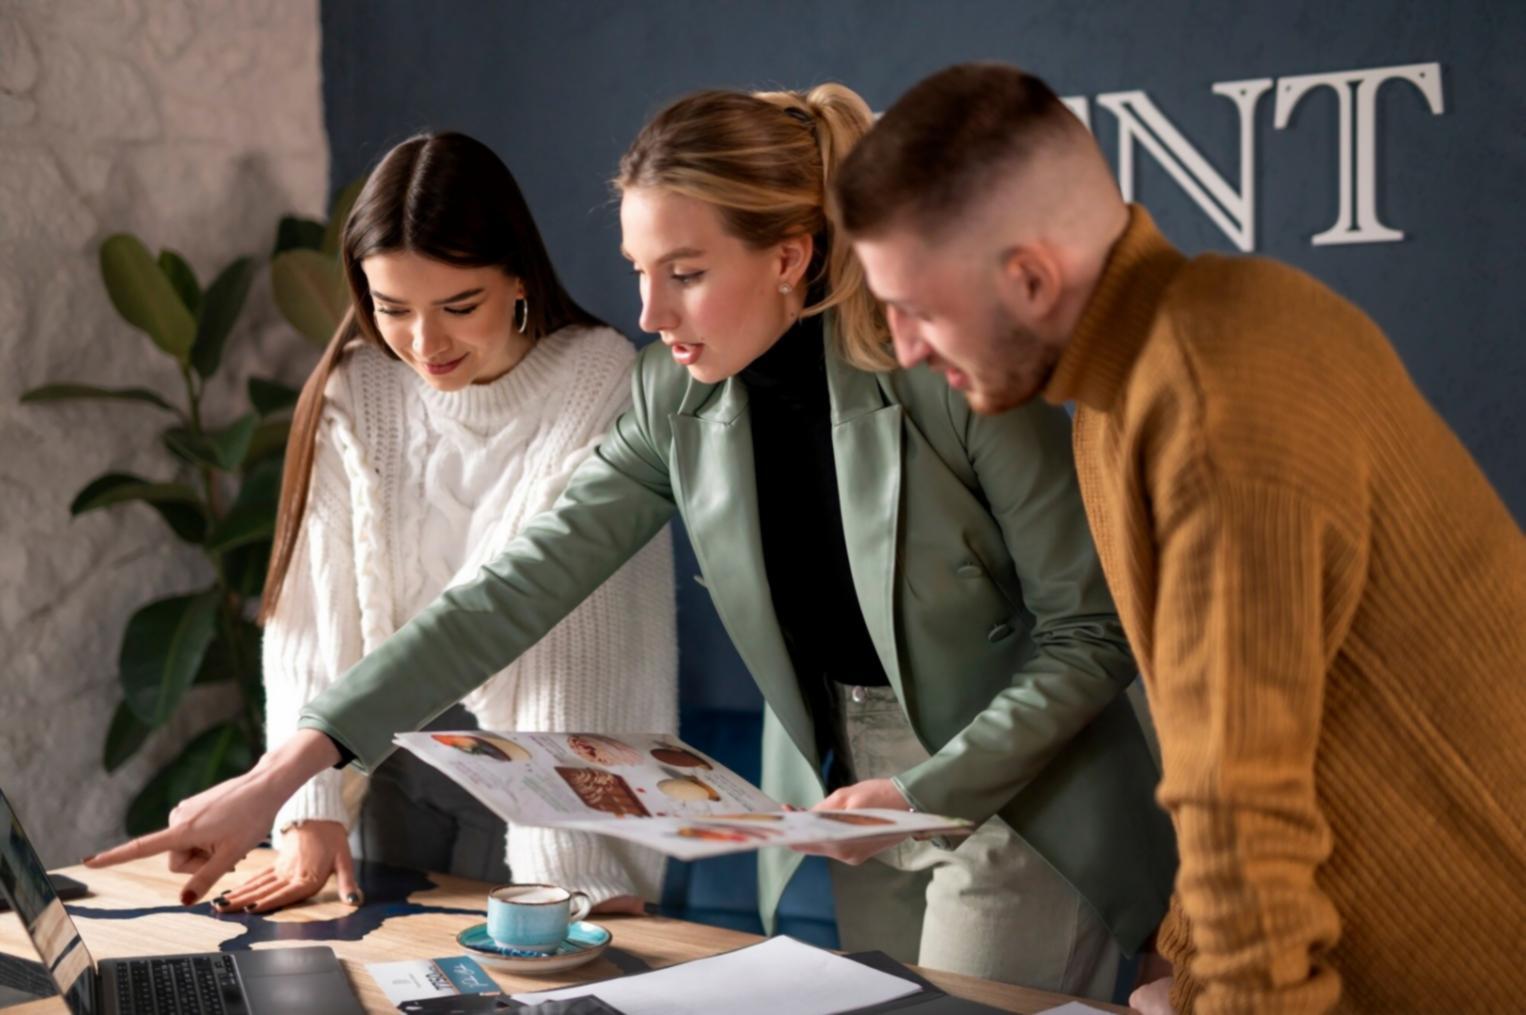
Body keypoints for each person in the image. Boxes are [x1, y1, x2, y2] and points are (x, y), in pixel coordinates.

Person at [85, 86, 1175, 999]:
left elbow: (1091, 632)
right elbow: (504, 595)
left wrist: (927, 786)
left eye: (685, 273)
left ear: (790, 255)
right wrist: (280, 774)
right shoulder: (672, 400)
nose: (648, 312)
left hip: (1025, 789)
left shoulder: (943, 369)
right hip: (849, 793)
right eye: (639, 269)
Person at [833, 61, 1526, 1013]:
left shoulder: (1211, 398)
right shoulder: (1130, 389)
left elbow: (1243, 806)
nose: (904, 347)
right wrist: (1184, 967)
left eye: (916, 309)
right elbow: (1216, 760)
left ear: (1030, 277)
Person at [216, 132, 678, 918]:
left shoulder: (602, 382)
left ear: (520, 276)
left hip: (540, 797)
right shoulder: (357, 391)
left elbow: (558, 636)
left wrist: (574, 864)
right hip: (382, 774)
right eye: (392, 309)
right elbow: (313, 618)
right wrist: (309, 806)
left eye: (459, 306)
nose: (425, 344)